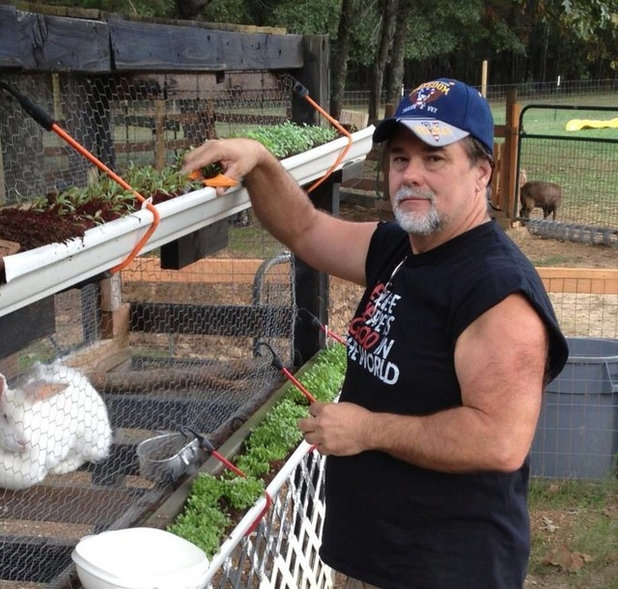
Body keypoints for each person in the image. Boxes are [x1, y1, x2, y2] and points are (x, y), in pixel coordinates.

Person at [183, 78, 569, 589]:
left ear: (482, 172)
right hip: (381, 555)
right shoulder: (401, 248)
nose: (410, 176)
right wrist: (260, 160)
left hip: (448, 567)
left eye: (434, 159)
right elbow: (305, 230)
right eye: (400, 158)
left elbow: (499, 440)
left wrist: (366, 430)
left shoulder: (496, 292)